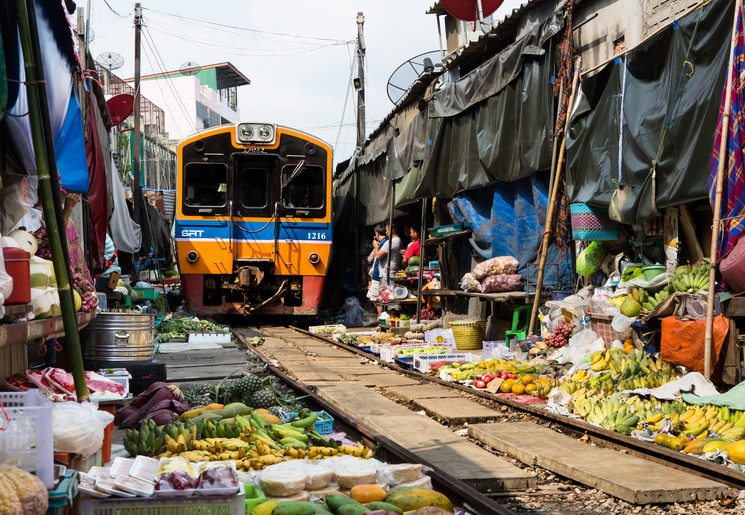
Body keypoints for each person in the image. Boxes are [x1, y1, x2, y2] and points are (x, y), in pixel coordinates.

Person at [366, 224, 387, 314]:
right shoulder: (385, 243)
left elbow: (377, 257)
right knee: (375, 297)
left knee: (375, 298)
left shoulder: (382, 244)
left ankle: (380, 316)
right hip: (379, 273)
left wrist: (375, 246)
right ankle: (381, 316)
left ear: (377, 234)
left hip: (378, 274)